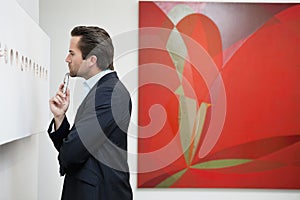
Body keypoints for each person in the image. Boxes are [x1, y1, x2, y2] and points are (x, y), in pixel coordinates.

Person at [48, 26, 133, 200]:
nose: (67, 59)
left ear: (92, 59)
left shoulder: (109, 94)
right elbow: (73, 148)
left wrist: (68, 151)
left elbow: (71, 153)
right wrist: (60, 117)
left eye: (72, 53)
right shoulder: (101, 91)